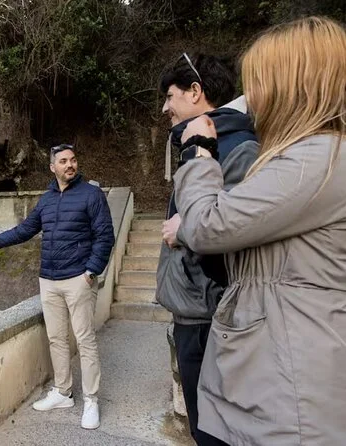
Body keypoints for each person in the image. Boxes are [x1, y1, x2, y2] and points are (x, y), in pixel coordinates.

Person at [162, 16, 346, 446]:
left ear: (294, 85)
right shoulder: (306, 159)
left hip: (288, 393)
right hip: (272, 377)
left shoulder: (312, 162)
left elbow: (207, 227)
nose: (252, 96)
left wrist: (199, 154)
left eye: (260, 81)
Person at [156, 53, 258, 445]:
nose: (165, 107)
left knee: (215, 432)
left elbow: (238, 227)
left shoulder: (238, 147)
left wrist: (182, 230)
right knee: (203, 429)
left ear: (196, 91)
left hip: (212, 316)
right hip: (194, 314)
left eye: (170, 96)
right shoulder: (202, 144)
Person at [0, 144, 114, 430]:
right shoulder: (47, 199)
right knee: (56, 338)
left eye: (73, 160)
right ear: (53, 167)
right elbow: (27, 228)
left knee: (85, 340)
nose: (70, 165)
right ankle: (63, 392)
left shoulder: (91, 194)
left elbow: (104, 236)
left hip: (78, 278)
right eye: (63, 161)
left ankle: (91, 400)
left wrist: (91, 271)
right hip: (49, 279)